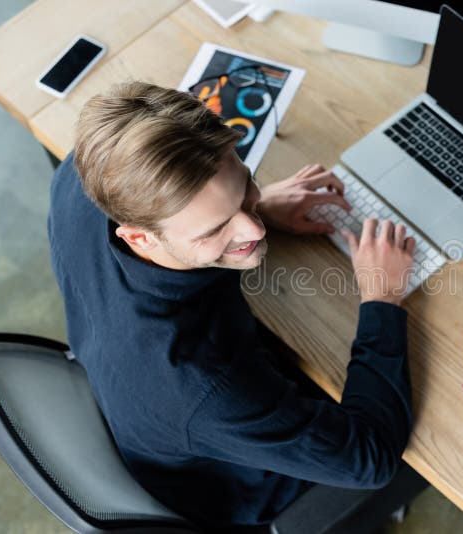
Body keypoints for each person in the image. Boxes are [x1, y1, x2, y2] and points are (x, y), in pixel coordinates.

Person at [47, 81, 418, 529]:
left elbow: (224, 224)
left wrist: (261, 207)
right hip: (242, 477)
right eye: (213, 229)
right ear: (140, 238)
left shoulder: (82, 174)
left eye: (244, 188)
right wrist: (381, 296)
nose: (254, 231)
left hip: (152, 405)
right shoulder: (205, 387)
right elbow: (371, 458)